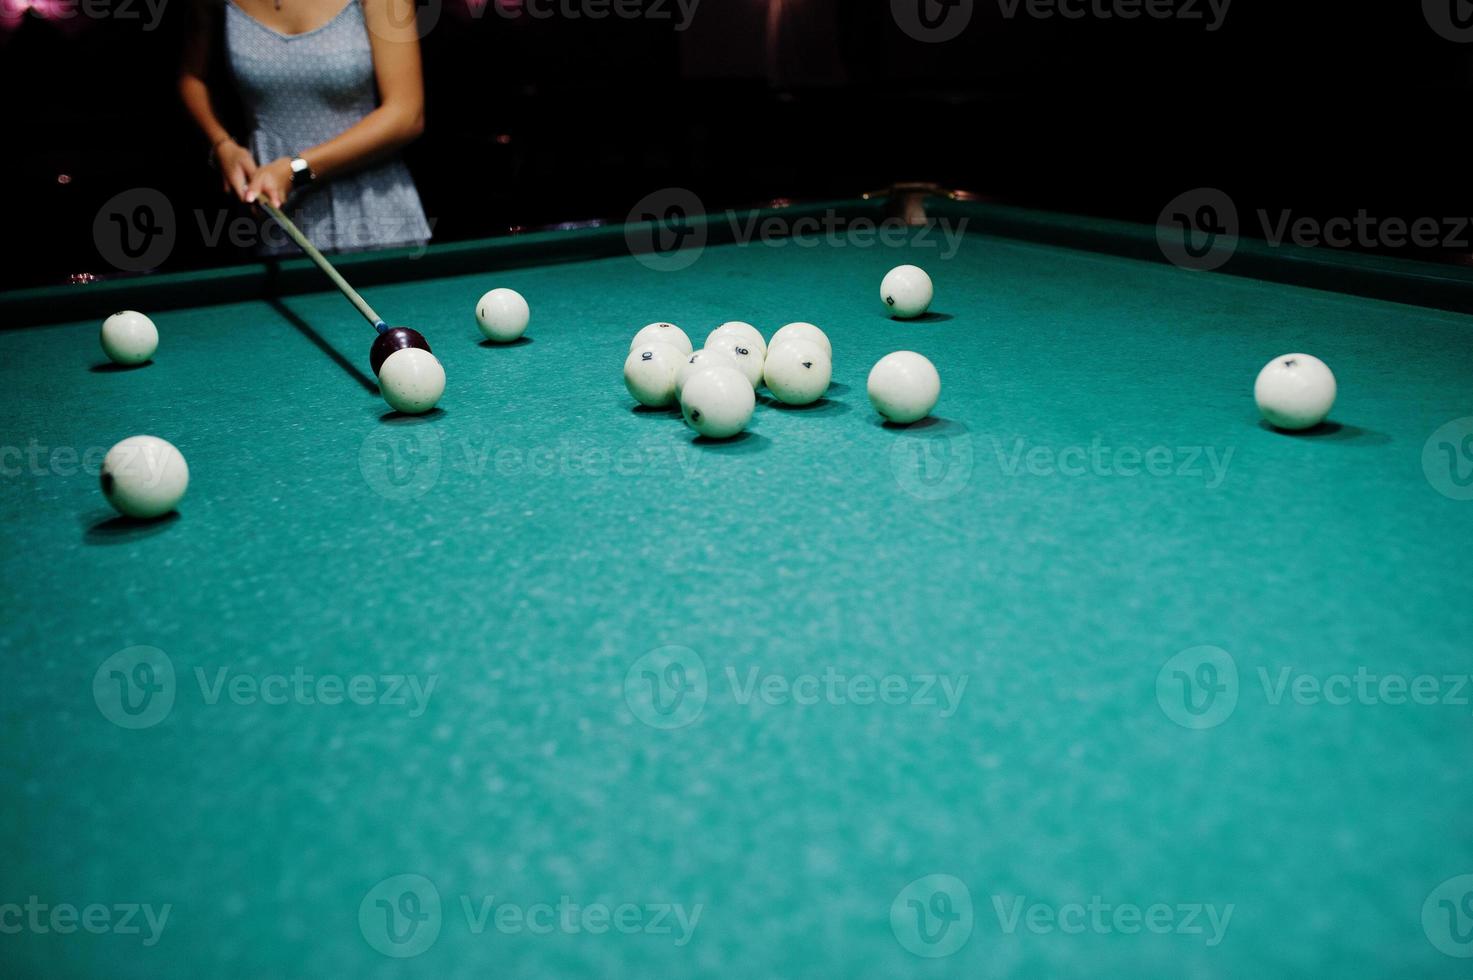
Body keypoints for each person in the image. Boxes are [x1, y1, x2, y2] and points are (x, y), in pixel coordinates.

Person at [179, 0, 431, 254]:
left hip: (377, 217)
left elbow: (406, 115)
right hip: (276, 218)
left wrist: (296, 169)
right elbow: (191, 78)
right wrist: (222, 144)